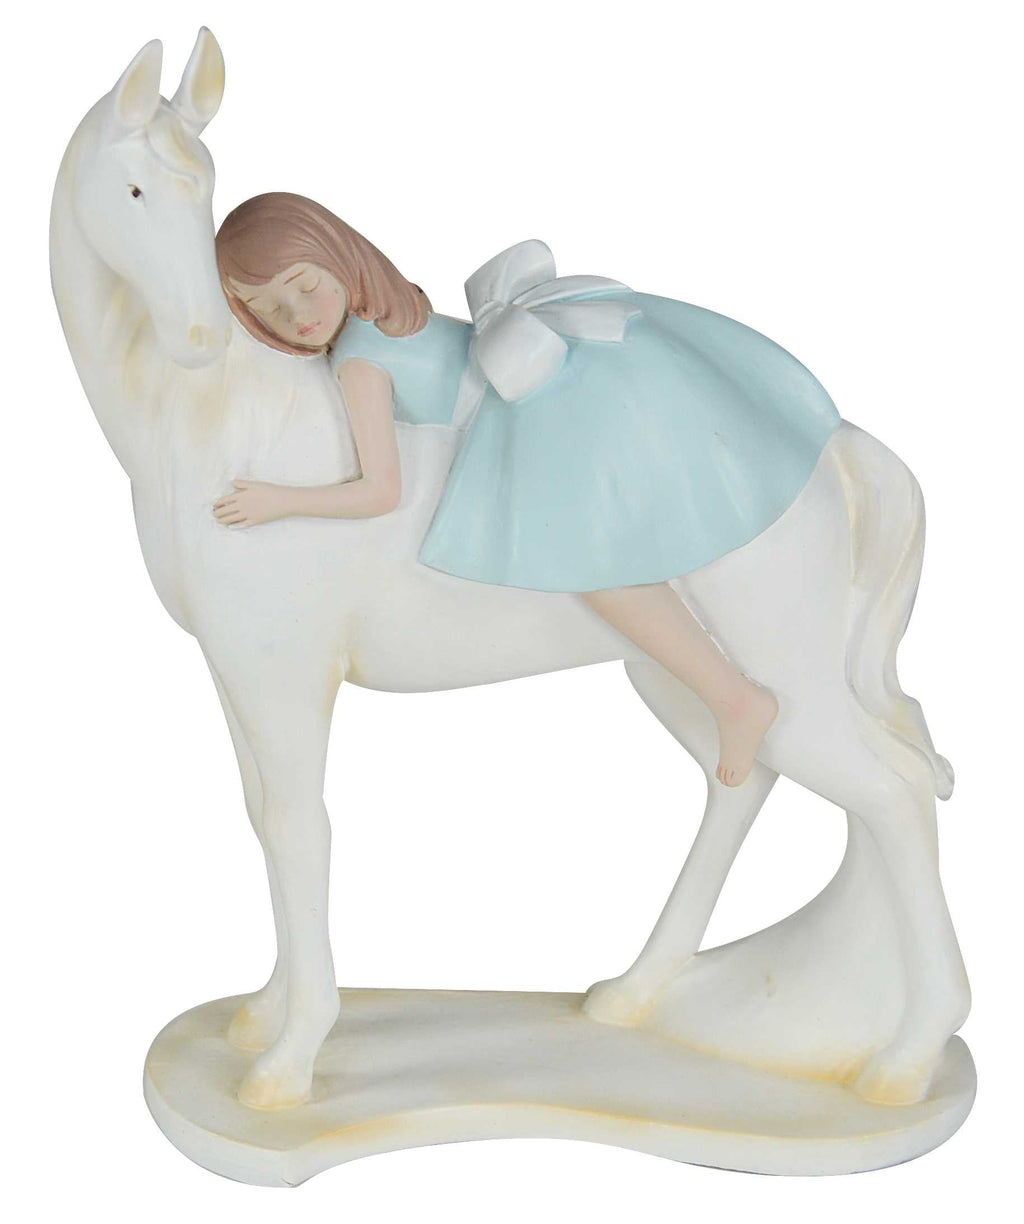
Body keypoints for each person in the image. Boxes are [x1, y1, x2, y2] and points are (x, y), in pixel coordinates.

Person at [213, 193, 840, 785]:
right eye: (267, 308)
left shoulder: (356, 362)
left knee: (599, 569)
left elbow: (380, 492)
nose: (297, 316)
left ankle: (734, 698)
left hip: (529, 415)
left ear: (338, 257)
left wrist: (281, 500)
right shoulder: (391, 312)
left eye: (305, 286)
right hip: (556, 379)